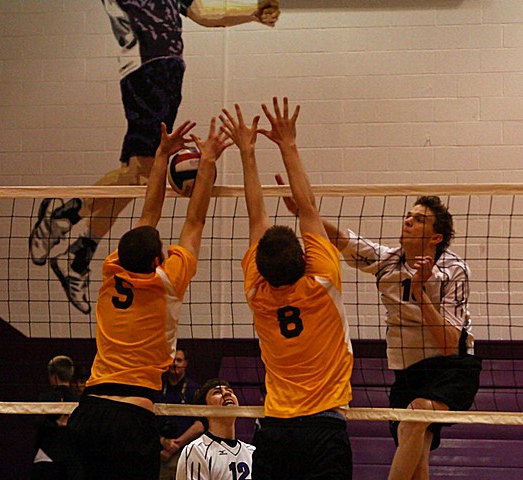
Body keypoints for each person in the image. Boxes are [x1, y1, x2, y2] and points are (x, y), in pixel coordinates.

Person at [28, 0, 280, 315]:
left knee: (136, 176)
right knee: (140, 171)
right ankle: (64, 220)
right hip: (144, 66)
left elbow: (202, 14)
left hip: (172, 71)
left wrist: (252, 13)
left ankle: (78, 250)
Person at [276, 186, 481, 479]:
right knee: (417, 455)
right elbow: (343, 240)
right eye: (409, 216)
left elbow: (449, 344)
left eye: (419, 219)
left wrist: (420, 291)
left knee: (414, 418)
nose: (408, 221)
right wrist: (303, 212)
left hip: (451, 369)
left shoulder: (453, 269)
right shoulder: (387, 261)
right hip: (408, 371)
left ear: (436, 238)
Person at [67, 117, 231, 480]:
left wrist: (161, 157)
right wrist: (207, 164)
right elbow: (194, 223)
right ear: (158, 260)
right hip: (131, 416)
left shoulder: (112, 270)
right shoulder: (167, 282)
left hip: (88, 412)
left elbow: (147, 216)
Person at [222, 97, 353, 479]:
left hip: (276, 428)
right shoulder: (323, 281)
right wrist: (288, 145)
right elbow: (308, 208)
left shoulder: (256, 294)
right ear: (304, 257)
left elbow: (255, 213)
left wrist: (247, 152)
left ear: (260, 267)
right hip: (324, 428)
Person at [176, 379, 255, 480]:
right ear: (204, 410)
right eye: (217, 392)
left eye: (230, 391)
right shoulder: (197, 451)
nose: (226, 393)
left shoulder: (251, 452)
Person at [155, 348, 205, 480]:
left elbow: (199, 425)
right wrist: (163, 441)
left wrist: (175, 445)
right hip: (158, 452)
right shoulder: (157, 387)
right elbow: (147, 421)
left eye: (179, 360)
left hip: (185, 452)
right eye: (172, 360)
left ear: (186, 363)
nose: (174, 363)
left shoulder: (194, 389)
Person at [32, 355, 84, 480]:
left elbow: (38, 423)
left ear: (54, 376)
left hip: (48, 458)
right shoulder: (80, 401)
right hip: (72, 460)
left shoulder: (46, 398)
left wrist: (56, 424)